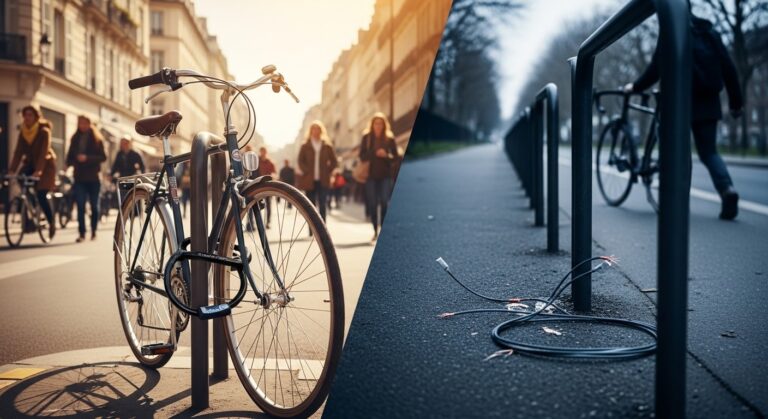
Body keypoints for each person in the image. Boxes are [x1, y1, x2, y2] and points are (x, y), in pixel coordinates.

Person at [624, 11, 743, 220]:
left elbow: (657, 67)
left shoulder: (672, 28)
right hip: (708, 101)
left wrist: (635, 86)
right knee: (709, 153)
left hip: (678, 101)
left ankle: (678, 204)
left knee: (678, 154)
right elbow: (728, 66)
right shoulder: (709, 31)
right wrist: (736, 101)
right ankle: (727, 190)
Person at [9, 105, 57, 239]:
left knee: (42, 194)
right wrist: (12, 169)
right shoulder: (23, 131)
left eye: (30, 115)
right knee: (20, 179)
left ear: (36, 117)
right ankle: (30, 210)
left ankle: (51, 221)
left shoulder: (44, 131)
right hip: (30, 164)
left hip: (46, 166)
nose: (27, 118)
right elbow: (18, 152)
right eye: (25, 115)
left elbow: (43, 152)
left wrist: (39, 171)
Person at [66, 115, 107, 242]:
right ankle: (82, 233)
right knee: (80, 205)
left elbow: (103, 157)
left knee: (94, 206)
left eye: (84, 123)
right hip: (79, 178)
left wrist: (87, 158)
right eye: (80, 123)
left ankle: (93, 230)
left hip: (94, 178)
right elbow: (69, 157)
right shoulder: (74, 138)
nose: (82, 125)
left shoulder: (97, 139)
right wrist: (70, 163)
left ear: (89, 124)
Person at [359, 112, 399, 240]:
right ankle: (375, 230)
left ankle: (382, 229)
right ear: (372, 124)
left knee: (384, 202)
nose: (378, 126)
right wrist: (374, 152)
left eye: (380, 123)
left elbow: (395, 158)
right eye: (376, 123)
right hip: (370, 176)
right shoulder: (367, 138)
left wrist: (386, 155)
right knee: (372, 203)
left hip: (385, 175)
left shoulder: (389, 138)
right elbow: (362, 156)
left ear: (384, 125)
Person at [297, 121, 337, 222]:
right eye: (313, 129)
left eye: (318, 129)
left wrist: (328, 171)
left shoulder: (327, 146)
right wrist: (306, 171)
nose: (316, 131)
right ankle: (312, 228)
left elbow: (334, 161)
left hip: (323, 180)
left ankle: (323, 229)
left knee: (323, 204)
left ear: (321, 131)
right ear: (310, 131)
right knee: (310, 205)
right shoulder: (305, 146)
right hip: (309, 180)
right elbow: (300, 161)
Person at [257, 146, 276, 228]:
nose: (263, 153)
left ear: (266, 152)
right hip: (258, 186)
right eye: (261, 151)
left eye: (264, 151)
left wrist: (272, 176)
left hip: (268, 185)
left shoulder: (270, 162)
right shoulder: (257, 161)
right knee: (257, 205)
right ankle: (258, 222)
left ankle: (268, 222)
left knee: (268, 205)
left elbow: (274, 173)